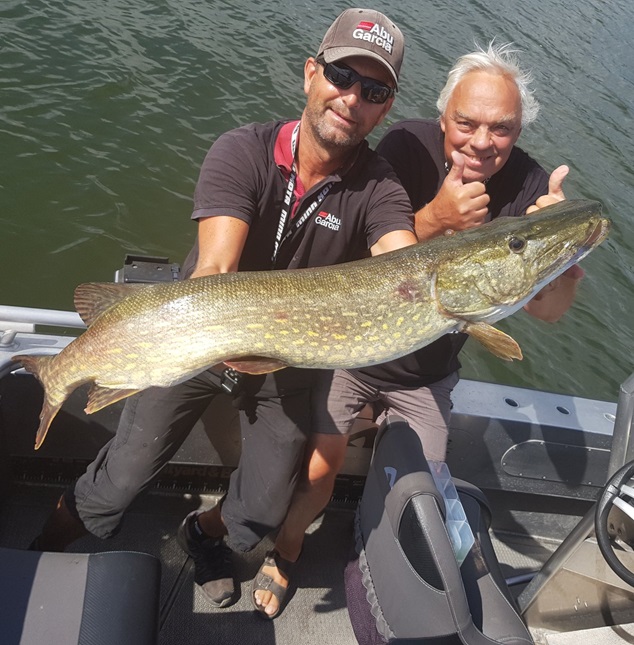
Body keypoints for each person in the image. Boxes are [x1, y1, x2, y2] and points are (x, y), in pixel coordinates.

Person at [29, 7, 418, 617]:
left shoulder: (381, 187)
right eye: (343, 75)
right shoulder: (244, 150)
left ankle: (203, 535)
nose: (352, 98)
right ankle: (39, 552)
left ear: (385, 107)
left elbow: (402, 262)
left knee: (260, 511)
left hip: (284, 362)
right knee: (120, 479)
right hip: (191, 337)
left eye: (374, 90)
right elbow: (215, 272)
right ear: (311, 73)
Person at [253, 41, 585, 617]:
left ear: (519, 129)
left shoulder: (531, 187)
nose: (482, 142)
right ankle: (285, 551)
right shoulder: (405, 146)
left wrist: (562, 249)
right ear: (442, 117)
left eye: (501, 129)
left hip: (429, 372)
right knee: (320, 470)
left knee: (424, 488)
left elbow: (548, 310)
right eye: (467, 123)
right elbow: (360, 255)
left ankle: (376, 556)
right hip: (352, 348)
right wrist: (439, 219)